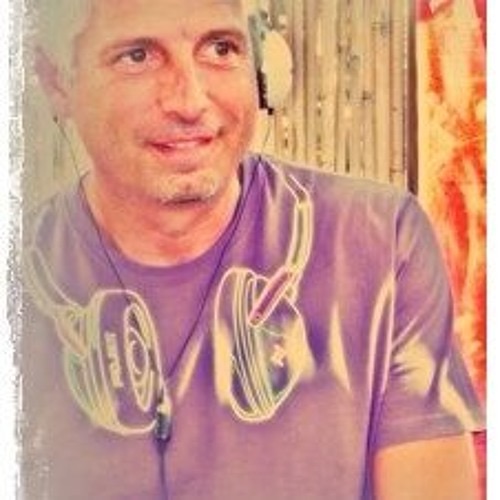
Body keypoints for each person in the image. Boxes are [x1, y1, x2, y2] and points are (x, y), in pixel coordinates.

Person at [21, 0, 485, 498]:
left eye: (221, 49)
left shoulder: (382, 240)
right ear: (57, 83)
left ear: (264, 68)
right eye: (137, 56)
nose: (189, 101)